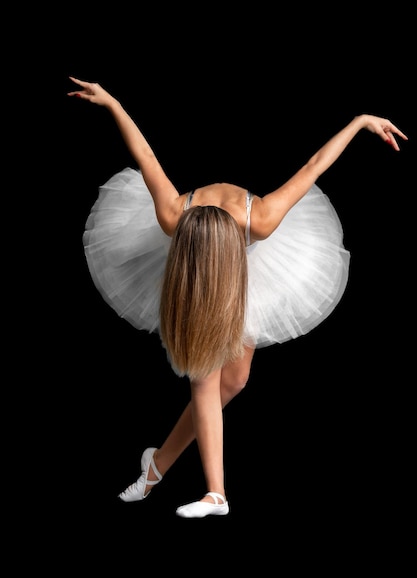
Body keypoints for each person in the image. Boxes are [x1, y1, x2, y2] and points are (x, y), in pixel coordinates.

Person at [68, 76, 408, 518]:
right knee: (205, 378)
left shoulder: (261, 221)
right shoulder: (174, 217)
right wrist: (112, 103)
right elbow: (146, 154)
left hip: (238, 266)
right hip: (200, 264)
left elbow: (313, 165)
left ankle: (157, 462)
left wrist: (360, 121)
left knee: (234, 381)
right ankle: (215, 493)